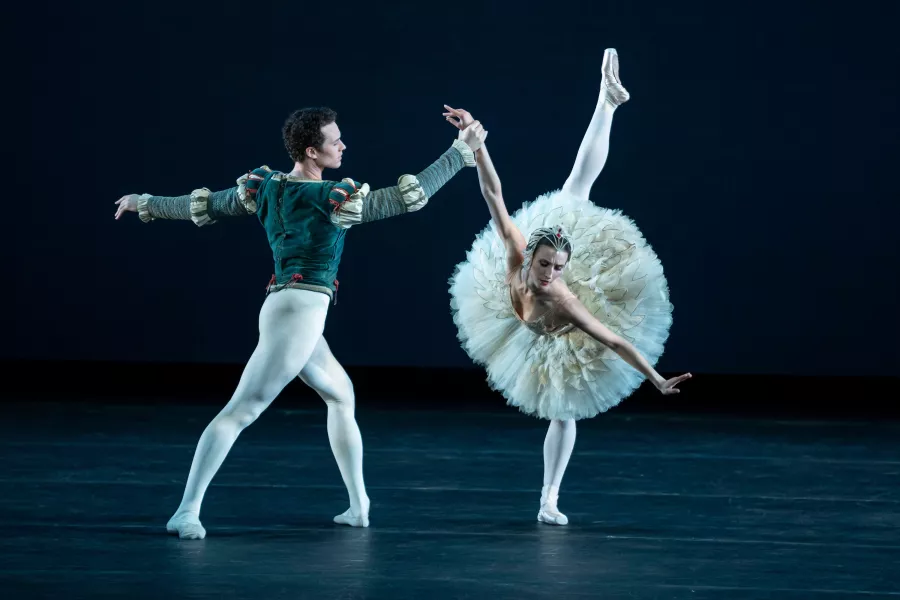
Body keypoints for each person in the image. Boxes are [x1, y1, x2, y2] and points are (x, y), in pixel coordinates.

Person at [115, 106, 487, 539]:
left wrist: (145, 203)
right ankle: (186, 510)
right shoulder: (329, 200)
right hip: (298, 312)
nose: (343, 146)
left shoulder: (266, 188)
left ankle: (358, 504)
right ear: (312, 151)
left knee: (341, 396)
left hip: (295, 310)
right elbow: (409, 196)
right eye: (335, 141)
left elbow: (208, 206)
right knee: (241, 411)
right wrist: (460, 152)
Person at [446, 49, 691, 526]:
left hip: (559, 337)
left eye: (558, 266)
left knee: (564, 410)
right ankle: (608, 101)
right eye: (545, 264)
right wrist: (476, 143)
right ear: (532, 256)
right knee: (574, 189)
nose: (550, 273)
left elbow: (616, 339)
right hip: (516, 316)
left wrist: (656, 379)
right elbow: (493, 194)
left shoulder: (564, 296)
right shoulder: (518, 255)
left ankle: (548, 498)